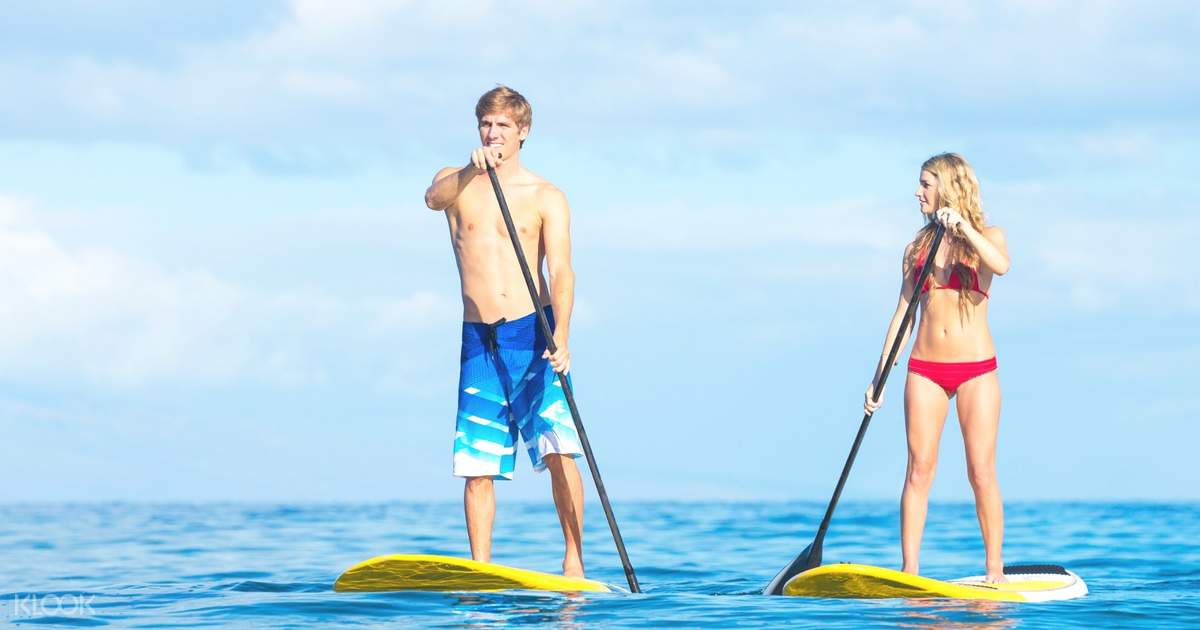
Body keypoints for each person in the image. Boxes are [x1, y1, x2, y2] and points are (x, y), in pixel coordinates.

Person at [423, 86, 587, 578]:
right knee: (476, 465)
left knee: (558, 449)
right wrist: (474, 169)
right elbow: (433, 200)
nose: (492, 134)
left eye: (502, 126)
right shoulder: (455, 181)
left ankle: (574, 562)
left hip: (533, 334)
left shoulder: (545, 195)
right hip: (479, 338)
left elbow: (561, 271)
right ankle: (482, 569)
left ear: (523, 132)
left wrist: (563, 335)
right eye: (485, 125)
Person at [864, 153, 1011, 583]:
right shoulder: (916, 249)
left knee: (980, 470)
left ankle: (994, 570)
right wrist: (879, 379)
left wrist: (962, 227)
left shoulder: (989, 236)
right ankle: (909, 571)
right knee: (918, 469)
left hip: (976, 371)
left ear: (947, 187)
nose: (917, 192)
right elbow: (902, 317)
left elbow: (1001, 266)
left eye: (926, 184)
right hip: (924, 369)